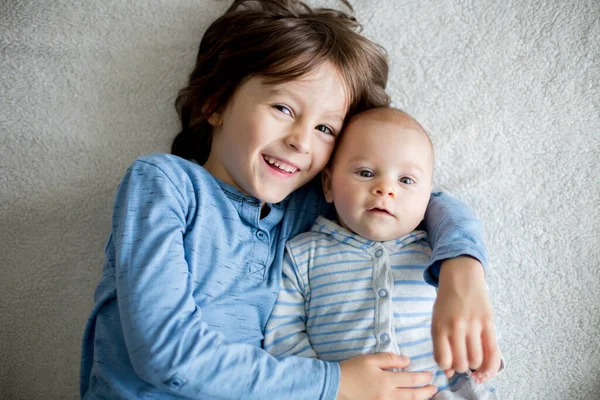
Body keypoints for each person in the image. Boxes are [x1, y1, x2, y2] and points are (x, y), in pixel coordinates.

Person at [80, 1, 499, 399]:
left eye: (326, 129)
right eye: (282, 107)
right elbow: (166, 353)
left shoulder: (306, 207)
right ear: (215, 102)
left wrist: (463, 269)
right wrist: (334, 384)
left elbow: (421, 199)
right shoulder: (166, 183)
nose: (300, 141)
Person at [263, 107, 502, 399]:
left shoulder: (435, 255)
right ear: (328, 184)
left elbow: (468, 318)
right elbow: (283, 337)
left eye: (406, 181)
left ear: (428, 195)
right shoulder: (302, 256)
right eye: (365, 173)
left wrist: (480, 356)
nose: (385, 188)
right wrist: (327, 386)